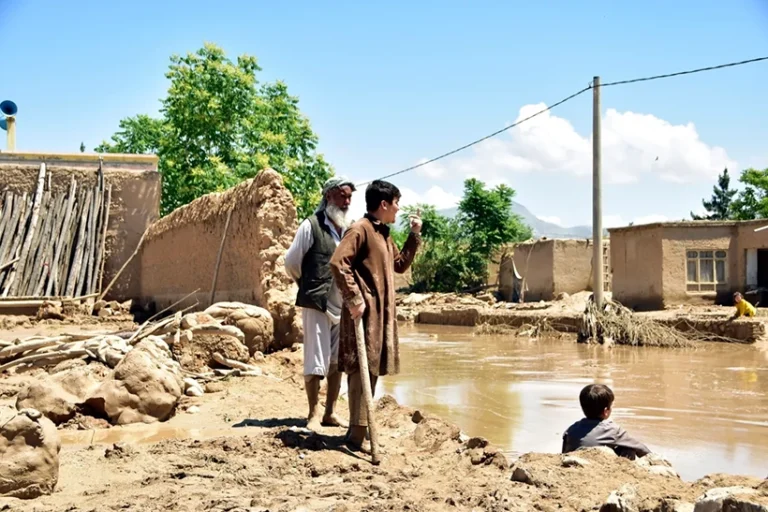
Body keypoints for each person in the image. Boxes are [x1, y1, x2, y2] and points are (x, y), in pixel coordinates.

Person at [330, 180, 422, 452]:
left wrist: (414, 235)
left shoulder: (383, 233)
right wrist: (354, 299)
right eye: (396, 203)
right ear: (384, 204)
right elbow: (338, 263)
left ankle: (360, 429)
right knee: (361, 369)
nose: (398, 208)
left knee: (371, 368)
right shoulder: (360, 229)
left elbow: (400, 265)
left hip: (380, 314)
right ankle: (357, 435)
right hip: (364, 313)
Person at [285, 176, 356, 431]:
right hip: (317, 301)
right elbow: (291, 262)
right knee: (315, 359)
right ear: (328, 197)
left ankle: (330, 412)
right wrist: (306, 285)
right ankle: (313, 414)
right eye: (342, 196)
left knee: (336, 359)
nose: (346, 201)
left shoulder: (349, 228)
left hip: (343, 305)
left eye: (349, 197)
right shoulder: (311, 225)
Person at [562, 384, 651, 460]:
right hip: (600, 467)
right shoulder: (613, 430)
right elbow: (641, 449)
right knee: (628, 449)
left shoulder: (571, 429)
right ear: (606, 411)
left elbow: (564, 453)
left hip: (576, 464)